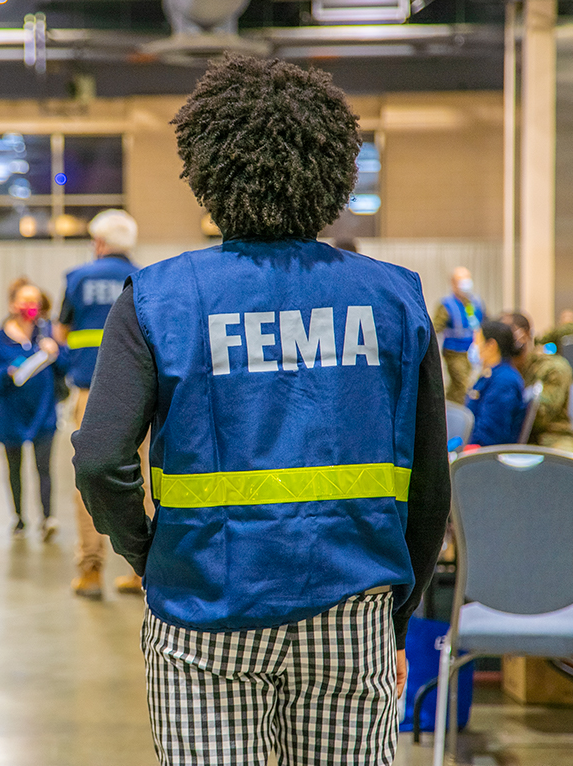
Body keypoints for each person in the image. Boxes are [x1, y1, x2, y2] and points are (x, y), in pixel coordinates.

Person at [73, 56, 451, 766]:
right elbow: (430, 482)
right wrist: (396, 614)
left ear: (207, 172)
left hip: (202, 610)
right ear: (333, 171)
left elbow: (98, 458)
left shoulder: (157, 298)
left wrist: (149, 558)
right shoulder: (395, 298)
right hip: (352, 607)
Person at [56, 209, 146, 600]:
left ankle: (90, 571)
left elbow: (61, 332)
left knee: (89, 478)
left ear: (100, 243)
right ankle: (143, 570)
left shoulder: (77, 279)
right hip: (143, 393)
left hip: (92, 392)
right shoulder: (145, 280)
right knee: (143, 475)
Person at [0, 279, 70, 540]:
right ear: (12, 305)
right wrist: (7, 373)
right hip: (10, 415)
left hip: (43, 412)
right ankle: (19, 517)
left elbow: (66, 365)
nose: (30, 306)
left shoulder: (47, 334)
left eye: (35, 301)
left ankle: (48, 517)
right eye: (24, 301)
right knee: (14, 467)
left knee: (44, 467)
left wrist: (56, 352)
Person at [503, 311, 573, 455]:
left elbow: (542, 416)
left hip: (549, 435)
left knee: (569, 463)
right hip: (511, 437)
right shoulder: (500, 371)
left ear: (524, 335)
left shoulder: (552, 368)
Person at [466, 319, 527, 448]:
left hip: (487, 456)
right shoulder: (491, 374)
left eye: (477, 342)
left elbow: (490, 434)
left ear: (491, 346)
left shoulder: (504, 382)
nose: (474, 347)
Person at [433, 266, 484, 404]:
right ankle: (461, 416)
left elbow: (483, 324)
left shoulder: (475, 303)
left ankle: (450, 411)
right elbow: (434, 328)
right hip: (454, 352)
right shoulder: (446, 305)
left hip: (473, 352)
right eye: (462, 280)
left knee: (457, 389)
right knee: (463, 385)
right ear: (453, 283)